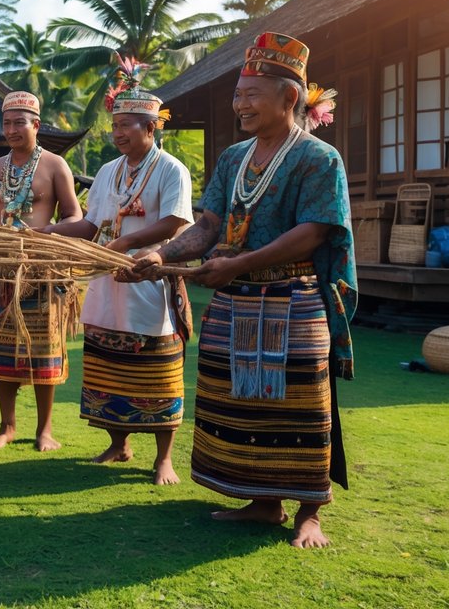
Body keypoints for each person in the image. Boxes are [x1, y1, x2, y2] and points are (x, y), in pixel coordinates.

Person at [133, 32, 355, 548]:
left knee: (300, 403)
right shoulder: (234, 159)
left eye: (251, 94)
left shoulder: (319, 160)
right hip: (233, 302)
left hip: (294, 298)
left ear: (289, 97)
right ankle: (262, 502)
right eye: (238, 95)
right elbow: (209, 224)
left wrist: (243, 263)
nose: (240, 105)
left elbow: (315, 230)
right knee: (238, 402)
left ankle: (309, 511)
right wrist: (161, 255)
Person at [43, 58, 193, 484]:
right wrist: (51, 232)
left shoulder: (171, 169)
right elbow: (93, 224)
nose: (119, 133)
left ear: (151, 127)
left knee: (159, 369)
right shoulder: (109, 171)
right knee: (108, 364)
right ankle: (118, 442)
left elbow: (176, 222)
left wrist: (126, 244)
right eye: (115, 125)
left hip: (149, 279)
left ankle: (164, 456)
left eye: (128, 124)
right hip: (108, 283)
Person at [0, 90, 82, 451]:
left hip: (40, 271)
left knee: (44, 350)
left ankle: (44, 429)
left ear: (36, 125)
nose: (12, 129)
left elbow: (74, 215)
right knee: (2, 350)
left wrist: (51, 234)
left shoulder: (55, 165)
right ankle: (7, 426)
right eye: (7, 122)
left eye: (19, 122)